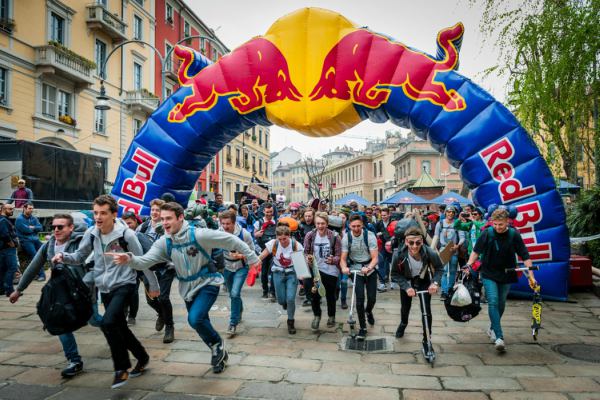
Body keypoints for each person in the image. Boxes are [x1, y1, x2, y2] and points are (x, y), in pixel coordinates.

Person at [109, 202, 260, 374]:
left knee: (195, 319)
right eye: (163, 219)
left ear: (180, 217)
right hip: (186, 288)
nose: (164, 222)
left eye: (169, 218)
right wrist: (129, 258)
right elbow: (145, 261)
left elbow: (231, 239)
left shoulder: (199, 235)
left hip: (207, 282)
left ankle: (217, 345)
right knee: (201, 322)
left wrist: (253, 258)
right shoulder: (164, 243)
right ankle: (217, 350)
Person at [52, 195, 160, 389]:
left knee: (108, 323)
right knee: (120, 326)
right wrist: (63, 256)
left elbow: (142, 261)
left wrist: (153, 286)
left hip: (124, 284)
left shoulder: (126, 235)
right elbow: (79, 257)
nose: (98, 217)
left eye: (103, 213)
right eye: (95, 213)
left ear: (113, 214)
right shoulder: (92, 233)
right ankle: (142, 357)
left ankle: (121, 368)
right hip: (105, 287)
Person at [10, 214, 88, 378]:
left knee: (96, 320)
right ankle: (74, 361)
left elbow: (95, 267)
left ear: (71, 228)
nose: (56, 230)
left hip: (83, 291)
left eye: (60, 227)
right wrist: (19, 290)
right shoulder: (50, 244)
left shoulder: (81, 243)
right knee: (58, 320)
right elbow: (34, 266)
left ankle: (116, 330)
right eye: (53, 227)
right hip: (61, 290)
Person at [463, 208, 536, 353]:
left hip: (507, 273)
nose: (497, 227)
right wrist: (468, 265)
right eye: (495, 224)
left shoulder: (514, 234)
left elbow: (525, 255)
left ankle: (492, 328)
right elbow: (476, 251)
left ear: (507, 222)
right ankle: (499, 337)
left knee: (501, 303)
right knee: (493, 301)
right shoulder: (487, 233)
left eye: (500, 225)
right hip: (488, 272)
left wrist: (532, 277)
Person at [391, 227, 443, 355]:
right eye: (411, 242)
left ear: (422, 241)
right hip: (407, 281)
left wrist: (435, 283)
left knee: (426, 311)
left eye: (418, 243)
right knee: (405, 308)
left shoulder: (429, 252)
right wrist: (406, 287)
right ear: (406, 241)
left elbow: (440, 268)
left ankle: (427, 340)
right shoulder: (398, 254)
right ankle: (403, 323)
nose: (415, 246)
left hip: (423, 281)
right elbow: (394, 274)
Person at [136, 199, 176, 343]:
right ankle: (161, 314)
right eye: (152, 209)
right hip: (148, 268)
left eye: (157, 210)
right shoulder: (143, 227)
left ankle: (170, 327)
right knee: (151, 300)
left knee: (163, 298)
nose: (154, 212)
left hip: (165, 267)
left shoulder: (168, 227)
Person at [257, 224, 304, 334]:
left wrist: (301, 274)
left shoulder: (296, 245)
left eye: (285, 239)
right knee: (281, 299)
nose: (283, 241)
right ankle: (285, 303)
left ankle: (290, 321)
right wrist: (255, 262)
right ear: (277, 238)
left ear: (289, 236)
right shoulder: (273, 244)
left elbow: (301, 262)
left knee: (291, 298)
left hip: (291, 273)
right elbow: (262, 255)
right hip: (277, 272)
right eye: (280, 239)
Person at [340, 214, 379, 340]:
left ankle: (369, 311)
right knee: (359, 299)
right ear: (349, 226)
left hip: (370, 270)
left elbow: (375, 258)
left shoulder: (370, 236)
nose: (356, 229)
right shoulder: (346, 238)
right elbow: (343, 258)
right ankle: (362, 327)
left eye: (358, 226)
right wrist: (344, 268)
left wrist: (369, 267)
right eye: (353, 226)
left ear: (362, 225)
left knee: (372, 298)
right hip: (356, 271)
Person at [304, 212, 341, 332]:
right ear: (315, 223)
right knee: (314, 295)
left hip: (331, 271)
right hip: (315, 269)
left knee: (330, 295)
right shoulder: (310, 235)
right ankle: (317, 316)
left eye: (323, 223)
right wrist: (308, 258)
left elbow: (339, 255)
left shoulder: (335, 236)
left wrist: (333, 259)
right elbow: (306, 252)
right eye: (318, 223)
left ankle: (331, 316)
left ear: (327, 223)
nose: (320, 226)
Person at [219, 210, 254, 337]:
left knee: (234, 293)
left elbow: (252, 252)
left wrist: (240, 255)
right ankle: (239, 308)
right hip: (227, 267)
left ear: (234, 223)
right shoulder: (219, 232)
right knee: (232, 294)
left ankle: (232, 324)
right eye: (223, 223)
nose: (225, 226)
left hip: (241, 267)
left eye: (228, 224)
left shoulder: (244, 234)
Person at [431, 205, 465, 300]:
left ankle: (450, 290)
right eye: (448, 212)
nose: (450, 214)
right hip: (443, 249)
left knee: (453, 270)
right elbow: (436, 236)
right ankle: (444, 291)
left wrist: (458, 245)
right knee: (444, 271)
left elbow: (462, 237)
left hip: (454, 249)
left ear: (454, 214)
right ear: (445, 213)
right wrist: (434, 249)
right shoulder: (440, 224)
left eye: (452, 212)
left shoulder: (457, 223)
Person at [254, 203, 277, 300]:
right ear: (264, 211)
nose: (269, 214)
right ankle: (265, 291)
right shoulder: (258, 222)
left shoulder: (277, 221)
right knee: (263, 273)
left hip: (274, 251)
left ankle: (273, 292)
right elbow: (254, 235)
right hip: (263, 250)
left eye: (271, 212)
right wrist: (257, 234)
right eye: (267, 212)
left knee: (273, 272)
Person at [15, 203, 45, 281]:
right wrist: (34, 228)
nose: (32, 210)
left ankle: (37, 274)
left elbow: (41, 228)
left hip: (35, 240)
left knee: (43, 254)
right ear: (24, 208)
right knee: (35, 257)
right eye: (30, 208)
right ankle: (41, 275)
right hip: (26, 241)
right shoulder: (19, 219)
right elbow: (26, 230)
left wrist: (33, 227)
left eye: (32, 208)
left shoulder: (34, 218)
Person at [0, 203, 19, 296]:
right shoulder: (3, 220)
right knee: (12, 268)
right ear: (3, 209)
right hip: (7, 249)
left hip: (3, 248)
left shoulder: (4, 219)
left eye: (12, 209)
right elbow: (4, 234)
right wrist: (11, 244)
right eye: (10, 209)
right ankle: (9, 290)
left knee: (2, 269)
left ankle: (1, 289)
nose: (12, 211)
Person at [375, 207, 393, 292]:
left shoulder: (393, 222)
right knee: (381, 263)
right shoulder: (378, 223)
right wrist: (377, 235)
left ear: (389, 214)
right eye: (382, 215)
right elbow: (375, 233)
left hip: (392, 246)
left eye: (385, 215)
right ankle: (382, 283)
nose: (383, 217)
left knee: (393, 264)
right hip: (382, 246)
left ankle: (393, 280)